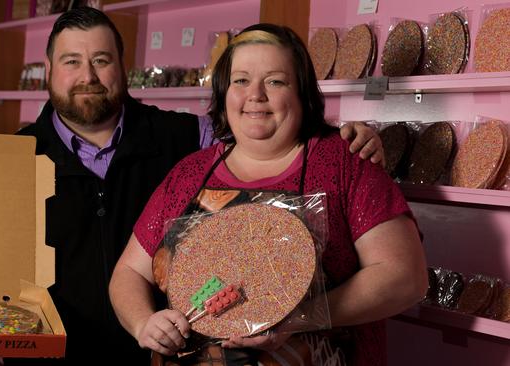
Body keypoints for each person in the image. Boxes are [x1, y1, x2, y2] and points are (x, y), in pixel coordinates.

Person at [14, 8, 384, 364]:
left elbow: (261, 131)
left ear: (121, 66)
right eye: (71, 62)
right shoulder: (16, 154)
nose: (88, 76)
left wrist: (347, 138)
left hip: (156, 353)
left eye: (101, 59)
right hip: (53, 354)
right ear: (48, 69)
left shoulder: (188, 136)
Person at [109, 23, 428, 366]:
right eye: (241, 80)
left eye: (275, 81)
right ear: (224, 92)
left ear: (302, 94)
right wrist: (144, 322)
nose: (255, 95)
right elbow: (128, 273)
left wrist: (302, 316)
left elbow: (405, 278)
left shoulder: (346, 162)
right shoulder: (189, 174)